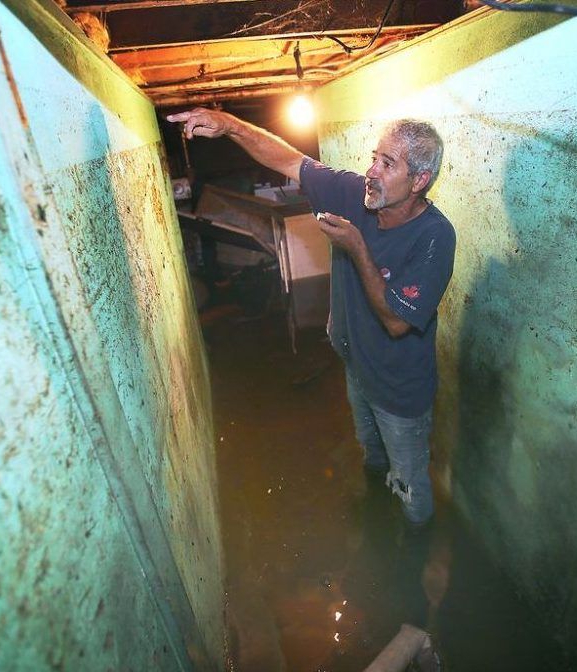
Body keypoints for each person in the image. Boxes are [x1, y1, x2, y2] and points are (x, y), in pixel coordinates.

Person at [166, 108, 455, 527]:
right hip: (359, 369)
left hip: (399, 390)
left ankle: (414, 546)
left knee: (409, 482)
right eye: (375, 156)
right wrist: (229, 124)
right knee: (371, 453)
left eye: (387, 164)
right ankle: (375, 514)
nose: (371, 171)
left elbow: (396, 322)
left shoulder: (434, 236)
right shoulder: (357, 194)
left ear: (419, 181)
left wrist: (357, 247)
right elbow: (288, 160)